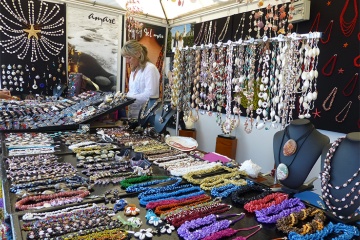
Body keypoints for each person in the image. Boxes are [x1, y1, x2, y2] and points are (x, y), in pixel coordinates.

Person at [121, 40, 160, 118]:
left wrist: (128, 98)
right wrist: (123, 97)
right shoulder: (134, 70)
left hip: (146, 116)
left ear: (138, 54)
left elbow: (150, 95)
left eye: (129, 58)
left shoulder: (150, 68)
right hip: (133, 114)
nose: (127, 61)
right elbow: (132, 92)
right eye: (126, 58)